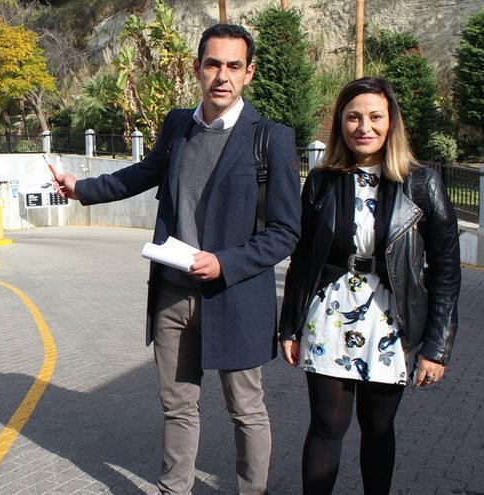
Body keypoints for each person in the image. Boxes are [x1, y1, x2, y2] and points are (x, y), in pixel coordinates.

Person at [54, 24, 301, 495]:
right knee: (177, 405)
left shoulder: (271, 138)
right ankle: (174, 490)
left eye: (233, 66)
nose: (221, 76)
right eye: (213, 64)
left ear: (249, 73)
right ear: (197, 68)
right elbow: (142, 173)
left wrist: (225, 263)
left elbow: (286, 232)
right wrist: (80, 189)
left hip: (235, 295)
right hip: (173, 294)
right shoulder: (178, 126)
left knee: (246, 409)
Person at [278, 77, 461, 494]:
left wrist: (437, 346)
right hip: (329, 315)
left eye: (375, 117)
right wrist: (288, 325)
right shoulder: (323, 181)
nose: (364, 126)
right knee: (326, 425)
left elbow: (446, 270)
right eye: (353, 117)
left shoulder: (422, 184)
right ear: (341, 123)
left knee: (378, 428)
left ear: (391, 122)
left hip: (390, 318)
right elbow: (304, 258)